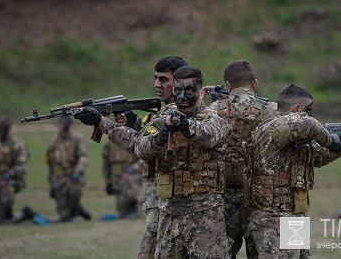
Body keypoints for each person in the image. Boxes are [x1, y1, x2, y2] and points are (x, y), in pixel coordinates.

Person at [74, 65, 233, 258]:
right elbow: (140, 145)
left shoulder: (213, 119)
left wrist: (184, 126)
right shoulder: (164, 118)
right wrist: (159, 136)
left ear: (201, 93)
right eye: (177, 91)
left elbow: (209, 135)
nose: (182, 97)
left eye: (189, 91)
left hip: (204, 214)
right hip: (169, 214)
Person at [245, 84, 341, 258]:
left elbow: (319, 157)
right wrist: (331, 139)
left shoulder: (297, 136)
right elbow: (306, 123)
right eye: (308, 109)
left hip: (294, 215)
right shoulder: (272, 129)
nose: (310, 114)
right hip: (273, 219)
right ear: (297, 108)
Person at [114, 55, 188, 258]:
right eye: (155, 78)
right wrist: (134, 122)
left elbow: (140, 146)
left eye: (163, 79)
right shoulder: (168, 110)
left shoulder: (176, 110)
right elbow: (154, 136)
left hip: (166, 201)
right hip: (161, 200)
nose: (157, 84)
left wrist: (104, 125)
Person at [208, 60, 277, 259]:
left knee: (222, 253)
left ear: (228, 85)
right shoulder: (271, 110)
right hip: (261, 197)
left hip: (224, 197)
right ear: (255, 84)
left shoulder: (214, 109)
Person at [46, 116, 91, 222]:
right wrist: (51, 183)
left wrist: (76, 172)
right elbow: (50, 163)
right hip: (58, 178)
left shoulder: (77, 139)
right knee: (64, 216)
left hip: (73, 177)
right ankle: (77, 210)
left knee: (73, 201)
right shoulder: (53, 142)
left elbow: (83, 157)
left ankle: (76, 209)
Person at [0, 117, 29, 224]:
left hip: (13, 181)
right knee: (0, 215)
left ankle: (11, 216)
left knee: (4, 215)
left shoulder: (17, 145)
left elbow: (23, 167)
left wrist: (9, 174)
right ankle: (19, 215)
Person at [102, 141, 143, 219]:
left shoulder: (135, 140)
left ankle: (134, 207)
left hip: (132, 175)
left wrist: (133, 169)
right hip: (116, 177)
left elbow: (143, 159)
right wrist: (108, 181)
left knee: (129, 188)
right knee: (122, 213)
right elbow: (105, 164)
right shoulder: (109, 145)